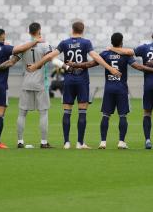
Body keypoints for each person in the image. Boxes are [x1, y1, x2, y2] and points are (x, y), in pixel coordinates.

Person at [27, 21, 121, 149]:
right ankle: (79, 143)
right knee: (82, 112)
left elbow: (50, 57)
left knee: (67, 112)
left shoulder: (65, 43)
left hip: (69, 80)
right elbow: (96, 57)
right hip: (82, 80)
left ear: (72, 29)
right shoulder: (86, 43)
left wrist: (35, 65)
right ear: (83, 30)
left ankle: (66, 143)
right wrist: (110, 68)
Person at [68, 32, 153, 149]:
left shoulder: (105, 54)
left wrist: (74, 64)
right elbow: (138, 67)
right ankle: (121, 142)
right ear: (121, 42)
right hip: (121, 89)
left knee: (105, 115)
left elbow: (89, 64)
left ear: (111, 42)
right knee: (123, 116)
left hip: (109, 88)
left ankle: (103, 142)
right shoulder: (125, 55)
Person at [0, 22, 70, 149]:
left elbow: (11, 62)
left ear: (29, 32)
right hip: (40, 83)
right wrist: (66, 66)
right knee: (43, 112)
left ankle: (20, 141)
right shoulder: (45, 45)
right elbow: (52, 59)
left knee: (22, 113)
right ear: (39, 31)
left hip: (26, 82)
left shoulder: (23, 47)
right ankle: (43, 142)